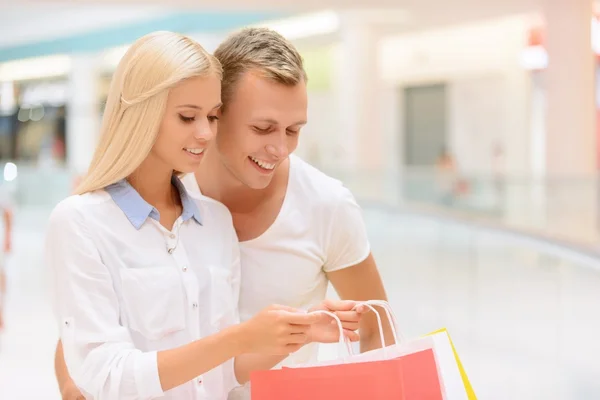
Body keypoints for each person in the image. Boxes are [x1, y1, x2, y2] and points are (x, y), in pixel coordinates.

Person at [46, 31, 361, 400]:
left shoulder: (215, 222)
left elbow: (223, 376)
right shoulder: (80, 222)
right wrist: (239, 338)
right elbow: (105, 377)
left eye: (212, 117)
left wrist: (297, 332)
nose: (205, 133)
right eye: (187, 117)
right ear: (140, 112)